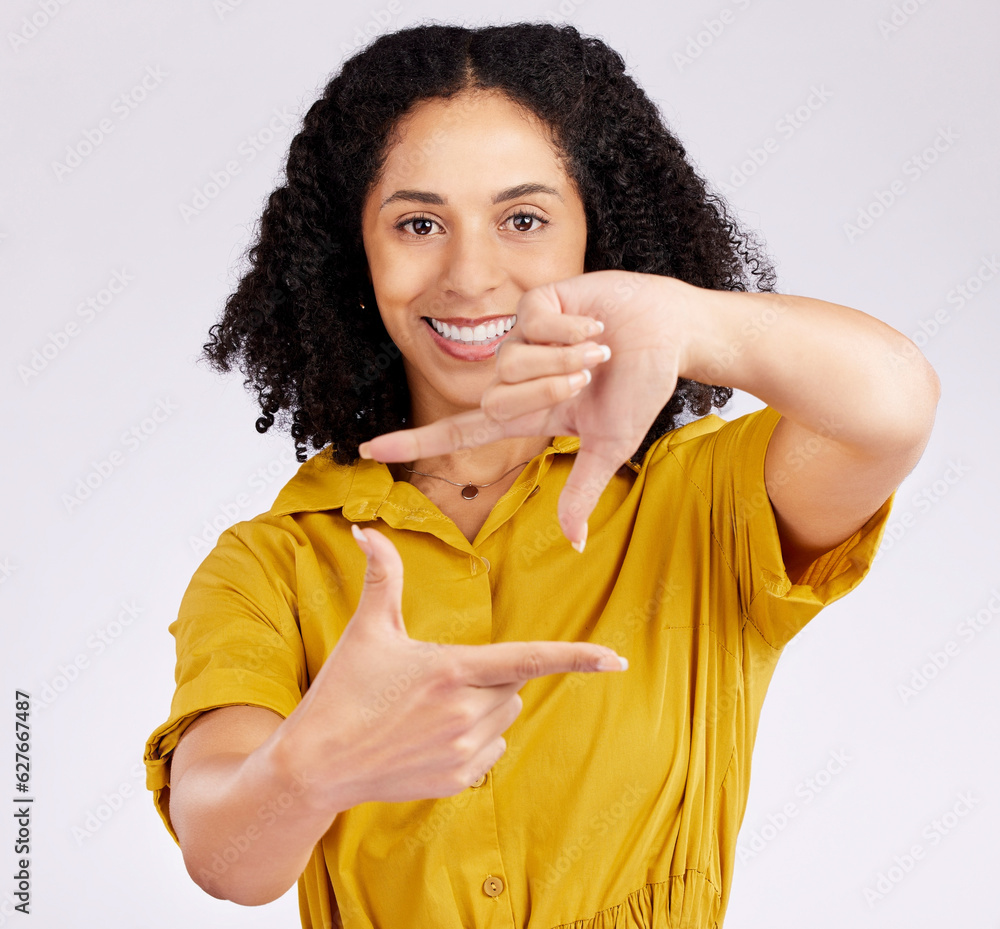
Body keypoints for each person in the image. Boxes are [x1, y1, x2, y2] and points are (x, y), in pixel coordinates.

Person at [143, 21, 940, 929]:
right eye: (418, 222)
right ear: (353, 254)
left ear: (593, 233)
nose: (473, 274)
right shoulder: (271, 565)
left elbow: (893, 403)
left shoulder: (699, 502)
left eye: (523, 219)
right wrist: (311, 767)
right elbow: (224, 857)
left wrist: (685, 321)